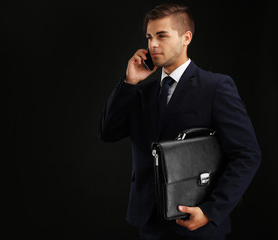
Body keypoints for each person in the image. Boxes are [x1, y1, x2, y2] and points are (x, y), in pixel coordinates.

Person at [98, 3, 261, 240]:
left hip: (197, 222)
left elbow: (247, 153)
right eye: (149, 37)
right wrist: (129, 83)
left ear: (186, 38)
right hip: (149, 223)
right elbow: (107, 132)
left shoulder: (216, 87)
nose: (152, 44)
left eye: (161, 36)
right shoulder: (141, 93)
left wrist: (211, 210)